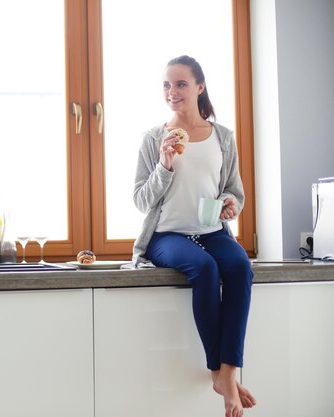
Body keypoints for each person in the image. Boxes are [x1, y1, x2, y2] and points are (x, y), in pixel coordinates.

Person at [132, 55, 257, 417]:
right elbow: (142, 201)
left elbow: (235, 191)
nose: (172, 92)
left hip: (212, 230)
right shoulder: (154, 138)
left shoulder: (223, 137)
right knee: (205, 269)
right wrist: (164, 165)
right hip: (167, 235)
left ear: (200, 87)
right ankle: (218, 371)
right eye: (167, 85)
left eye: (181, 84)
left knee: (240, 267)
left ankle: (228, 373)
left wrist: (230, 204)